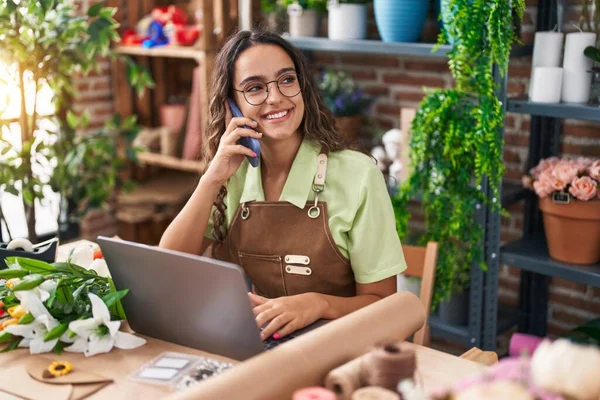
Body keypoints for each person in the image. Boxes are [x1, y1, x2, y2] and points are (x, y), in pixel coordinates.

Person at [159, 30, 406, 341]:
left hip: (344, 347)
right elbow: (168, 266)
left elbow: (383, 304)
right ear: (230, 106)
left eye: (287, 80)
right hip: (263, 343)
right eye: (255, 88)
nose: (275, 97)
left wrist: (318, 304)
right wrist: (211, 179)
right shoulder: (231, 173)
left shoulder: (357, 174)